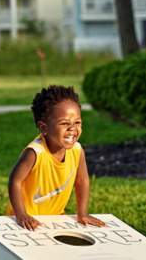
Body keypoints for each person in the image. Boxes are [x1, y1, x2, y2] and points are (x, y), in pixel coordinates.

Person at [7, 85, 105, 230]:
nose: (72, 128)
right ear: (43, 128)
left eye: (77, 122)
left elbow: (82, 181)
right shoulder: (35, 152)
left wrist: (82, 213)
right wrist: (21, 215)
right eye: (64, 123)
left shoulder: (77, 150)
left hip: (54, 219)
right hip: (27, 221)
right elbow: (15, 181)